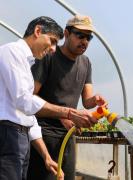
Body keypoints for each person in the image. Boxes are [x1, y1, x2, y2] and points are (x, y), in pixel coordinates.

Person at [0, 16, 97, 180]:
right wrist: (68, 113)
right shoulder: (11, 52)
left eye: (89, 37)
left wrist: (46, 156)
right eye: (52, 41)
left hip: (22, 137)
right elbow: (24, 100)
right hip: (8, 134)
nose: (53, 48)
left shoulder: (27, 62)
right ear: (38, 31)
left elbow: (28, 117)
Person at [27, 14, 107, 180]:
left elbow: (87, 101)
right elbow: (29, 99)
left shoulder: (85, 63)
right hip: (43, 136)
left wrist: (96, 100)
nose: (84, 41)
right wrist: (64, 114)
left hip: (68, 136)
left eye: (89, 37)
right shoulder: (48, 56)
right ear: (66, 33)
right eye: (80, 35)